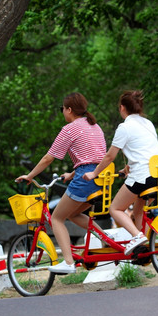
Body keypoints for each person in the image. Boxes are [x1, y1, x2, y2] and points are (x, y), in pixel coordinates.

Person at [16, 92, 107, 274]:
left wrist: (30, 175)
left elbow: (49, 158)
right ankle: (106, 238)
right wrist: (72, 174)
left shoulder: (70, 129)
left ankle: (68, 262)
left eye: (62, 109)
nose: (63, 112)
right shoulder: (94, 126)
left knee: (57, 218)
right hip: (100, 178)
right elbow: (95, 159)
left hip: (84, 179)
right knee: (73, 215)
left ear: (69, 110)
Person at [84, 90, 158, 256]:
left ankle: (137, 236)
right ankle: (147, 248)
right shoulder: (148, 124)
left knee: (115, 209)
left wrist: (94, 174)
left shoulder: (125, 127)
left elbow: (110, 156)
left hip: (142, 177)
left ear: (122, 108)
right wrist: (129, 168)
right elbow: (145, 151)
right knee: (139, 212)